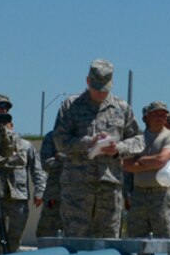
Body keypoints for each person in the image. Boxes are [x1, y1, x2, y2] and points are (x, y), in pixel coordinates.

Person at [50, 60, 140, 238]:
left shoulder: (121, 108)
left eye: (105, 88)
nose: (101, 92)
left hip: (109, 187)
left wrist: (118, 149)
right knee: (75, 239)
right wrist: (88, 143)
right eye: (97, 87)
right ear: (88, 81)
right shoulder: (71, 106)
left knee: (107, 242)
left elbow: (138, 140)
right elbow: (60, 140)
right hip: (77, 188)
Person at [120, 101, 170, 238]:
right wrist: (151, 162)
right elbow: (126, 165)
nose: (160, 117)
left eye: (163, 115)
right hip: (138, 195)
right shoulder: (138, 139)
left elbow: (161, 160)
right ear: (147, 117)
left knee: (165, 237)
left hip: (160, 195)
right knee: (135, 237)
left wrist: (140, 161)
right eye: (156, 114)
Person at [0, 98, 38, 255]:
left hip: (19, 199)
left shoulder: (24, 145)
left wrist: (40, 191)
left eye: (6, 107)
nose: (3, 110)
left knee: (14, 239)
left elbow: (37, 170)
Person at [37, 127, 63, 242]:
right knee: (47, 235)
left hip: (80, 198)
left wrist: (61, 157)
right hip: (55, 196)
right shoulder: (52, 137)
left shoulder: (83, 137)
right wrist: (72, 162)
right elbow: (46, 164)